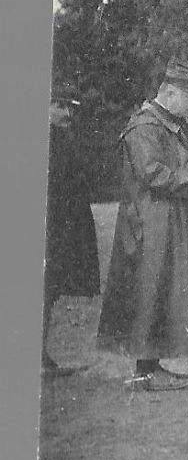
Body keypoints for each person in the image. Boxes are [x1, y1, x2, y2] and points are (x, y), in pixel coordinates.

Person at [96, 57, 188, 390]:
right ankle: (144, 371)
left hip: (171, 222)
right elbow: (155, 175)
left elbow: (179, 165)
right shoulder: (144, 127)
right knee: (151, 292)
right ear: (170, 93)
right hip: (152, 226)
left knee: (165, 292)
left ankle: (152, 365)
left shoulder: (176, 123)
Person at [43, 82, 101, 375]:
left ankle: (40, 356)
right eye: (59, 106)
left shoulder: (64, 138)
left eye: (68, 107)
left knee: (50, 289)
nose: (67, 113)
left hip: (64, 226)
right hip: (49, 227)